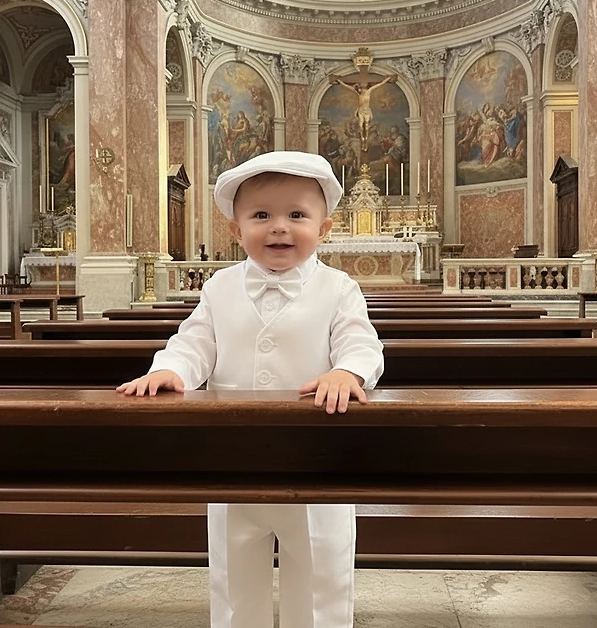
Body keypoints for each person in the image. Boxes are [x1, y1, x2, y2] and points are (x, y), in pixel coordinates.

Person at [117, 150, 384, 628]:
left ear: (324, 228)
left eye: (297, 215)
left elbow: (362, 343)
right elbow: (194, 342)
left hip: (318, 456)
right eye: (261, 215)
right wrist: (172, 370)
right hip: (232, 455)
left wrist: (348, 372)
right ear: (236, 230)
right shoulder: (219, 288)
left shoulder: (339, 288)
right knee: (234, 574)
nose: (279, 227)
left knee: (321, 575)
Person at [329, 73, 397, 152]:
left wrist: (387, 79)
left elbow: (379, 84)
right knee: (361, 126)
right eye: (359, 88)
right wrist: (339, 81)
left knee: (366, 126)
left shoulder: (369, 91)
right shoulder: (358, 94)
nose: (359, 89)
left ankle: (365, 142)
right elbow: (347, 87)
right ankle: (362, 139)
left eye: (360, 88)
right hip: (361, 111)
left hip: (367, 111)